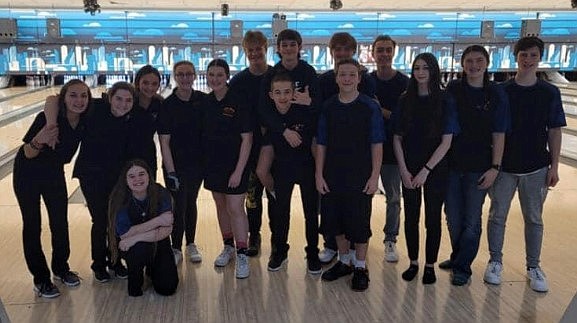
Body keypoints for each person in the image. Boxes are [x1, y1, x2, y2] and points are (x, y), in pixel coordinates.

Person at [484, 36, 566, 293]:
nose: (528, 60)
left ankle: (533, 266)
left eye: (533, 55)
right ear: (515, 57)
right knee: (498, 216)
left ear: (539, 57)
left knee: (534, 218)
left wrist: (554, 166)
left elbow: (554, 131)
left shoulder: (549, 92)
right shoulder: (502, 91)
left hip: (536, 167)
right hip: (504, 167)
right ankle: (495, 261)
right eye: (524, 55)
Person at [45, 81, 134, 282]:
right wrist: (51, 124)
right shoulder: (96, 108)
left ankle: (115, 261)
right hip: (91, 174)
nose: (123, 103)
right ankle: (99, 264)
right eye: (118, 98)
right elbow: (53, 99)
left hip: (116, 176)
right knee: (101, 220)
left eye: (128, 100)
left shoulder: (131, 117)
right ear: (110, 98)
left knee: (116, 219)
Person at [13, 79, 91, 298]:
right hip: (27, 172)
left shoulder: (85, 119)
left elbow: (51, 98)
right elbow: (27, 153)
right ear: (64, 98)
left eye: (84, 95)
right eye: (73, 95)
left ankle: (61, 269)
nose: (79, 100)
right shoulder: (49, 118)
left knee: (59, 222)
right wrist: (41, 137)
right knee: (32, 224)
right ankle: (41, 279)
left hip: (54, 172)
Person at [442, 45, 509, 286]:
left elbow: (499, 132)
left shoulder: (496, 93)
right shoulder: (453, 88)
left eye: (478, 60)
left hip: (479, 167)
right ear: (462, 64)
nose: (473, 65)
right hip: (451, 164)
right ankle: (458, 255)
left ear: (487, 63)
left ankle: (463, 267)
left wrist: (495, 167)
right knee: (452, 216)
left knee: (471, 219)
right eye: (469, 61)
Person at [316, 59, 384, 291]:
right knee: (337, 221)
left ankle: (361, 267)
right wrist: (318, 173)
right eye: (342, 74)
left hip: (360, 173)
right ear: (336, 78)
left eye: (351, 74)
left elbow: (377, 144)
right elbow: (321, 143)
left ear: (358, 78)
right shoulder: (328, 106)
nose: (346, 78)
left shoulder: (369, 107)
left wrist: (375, 176)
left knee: (359, 222)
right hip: (332, 172)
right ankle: (344, 262)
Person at [393, 53, 458, 285]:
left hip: (436, 168)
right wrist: (403, 168)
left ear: (434, 71)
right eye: (416, 68)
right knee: (411, 217)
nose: (420, 72)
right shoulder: (404, 99)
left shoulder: (445, 100)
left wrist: (426, 170)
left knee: (432, 218)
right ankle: (413, 262)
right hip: (409, 166)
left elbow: (447, 141)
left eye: (425, 68)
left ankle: (429, 265)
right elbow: (397, 138)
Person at [256, 73, 321, 274]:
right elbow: (263, 161)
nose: (282, 97)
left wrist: (319, 172)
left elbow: (314, 143)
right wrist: (271, 187)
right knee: (280, 213)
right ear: (271, 95)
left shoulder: (303, 113)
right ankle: (280, 251)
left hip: (306, 167)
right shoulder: (271, 118)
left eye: (287, 92)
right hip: (282, 169)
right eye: (278, 93)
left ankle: (312, 253)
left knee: (311, 213)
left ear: (293, 93)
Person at [202, 59, 252, 279]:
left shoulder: (239, 101)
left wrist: (239, 171)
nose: (215, 79)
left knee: (235, 208)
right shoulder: (207, 102)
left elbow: (247, 139)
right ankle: (228, 246)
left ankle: (242, 253)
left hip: (235, 166)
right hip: (213, 165)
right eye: (211, 75)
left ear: (227, 76)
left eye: (219, 75)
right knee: (221, 206)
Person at [229, 30, 272, 257]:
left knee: (275, 195)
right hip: (250, 148)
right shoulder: (238, 82)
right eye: (251, 50)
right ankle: (254, 235)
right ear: (245, 52)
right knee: (253, 199)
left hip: (276, 147)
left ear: (266, 49)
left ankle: (278, 238)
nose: (255, 53)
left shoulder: (277, 75)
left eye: (259, 49)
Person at [158, 60, 206, 264]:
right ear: (175, 76)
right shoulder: (167, 105)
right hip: (174, 164)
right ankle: (176, 246)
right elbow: (164, 142)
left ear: (195, 76)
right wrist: (171, 172)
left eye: (188, 74)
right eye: (180, 74)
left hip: (197, 164)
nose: (185, 78)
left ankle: (191, 243)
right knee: (178, 204)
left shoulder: (203, 100)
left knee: (191, 202)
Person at [108, 159, 179, 297]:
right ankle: (137, 275)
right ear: (125, 180)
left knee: (168, 288)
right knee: (135, 291)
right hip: (131, 247)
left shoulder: (161, 192)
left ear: (149, 176)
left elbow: (167, 229)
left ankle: (152, 268)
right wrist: (158, 221)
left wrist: (136, 237)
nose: (137, 179)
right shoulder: (120, 198)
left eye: (141, 174)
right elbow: (124, 235)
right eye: (132, 176)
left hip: (158, 241)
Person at [370, 35, 410, 263]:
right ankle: (360, 238)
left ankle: (390, 239)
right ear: (373, 53)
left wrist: (380, 110)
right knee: (362, 196)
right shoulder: (366, 80)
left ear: (393, 52)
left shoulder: (404, 83)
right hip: (368, 150)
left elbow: (404, 120)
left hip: (395, 150)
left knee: (394, 197)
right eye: (380, 50)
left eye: (387, 50)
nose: (384, 54)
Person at [258, 29, 320, 149]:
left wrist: (309, 102)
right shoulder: (271, 74)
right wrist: (283, 130)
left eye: (292, 44)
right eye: (284, 45)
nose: (288, 48)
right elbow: (264, 109)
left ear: (299, 47)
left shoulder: (308, 72)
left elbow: (319, 105)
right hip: (278, 130)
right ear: (278, 48)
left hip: (304, 131)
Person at [127, 65, 163, 178]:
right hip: (124, 154)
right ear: (138, 83)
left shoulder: (160, 104)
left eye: (154, 84)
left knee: (149, 191)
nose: (150, 87)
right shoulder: (127, 101)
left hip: (148, 154)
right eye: (145, 83)